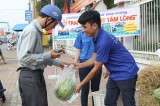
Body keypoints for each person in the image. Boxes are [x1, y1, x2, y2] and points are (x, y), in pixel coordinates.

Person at [74, 10, 139, 106]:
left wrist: (80, 84)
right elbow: (93, 59)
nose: (82, 30)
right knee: (109, 102)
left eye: (84, 27)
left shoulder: (103, 41)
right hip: (115, 73)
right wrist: (78, 64)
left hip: (126, 72)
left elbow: (95, 69)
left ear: (94, 26)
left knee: (128, 103)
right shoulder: (96, 36)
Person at [17, 5, 67, 106]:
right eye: (55, 23)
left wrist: (59, 63)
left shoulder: (37, 31)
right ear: (48, 19)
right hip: (31, 77)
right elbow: (25, 58)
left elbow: (37, 56)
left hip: (32, 76)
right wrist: (49, 54)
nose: (54, 27)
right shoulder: (32, 31)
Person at [74, 31, 108, 106]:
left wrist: (105, 67)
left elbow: (105, 50)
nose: (83, 28)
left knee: (95, 90)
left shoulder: (98, 34)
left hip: (97, 64)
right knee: (84, 89)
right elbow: (78, 50)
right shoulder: (80, 34)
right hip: (83, 65)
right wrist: (76, 66)